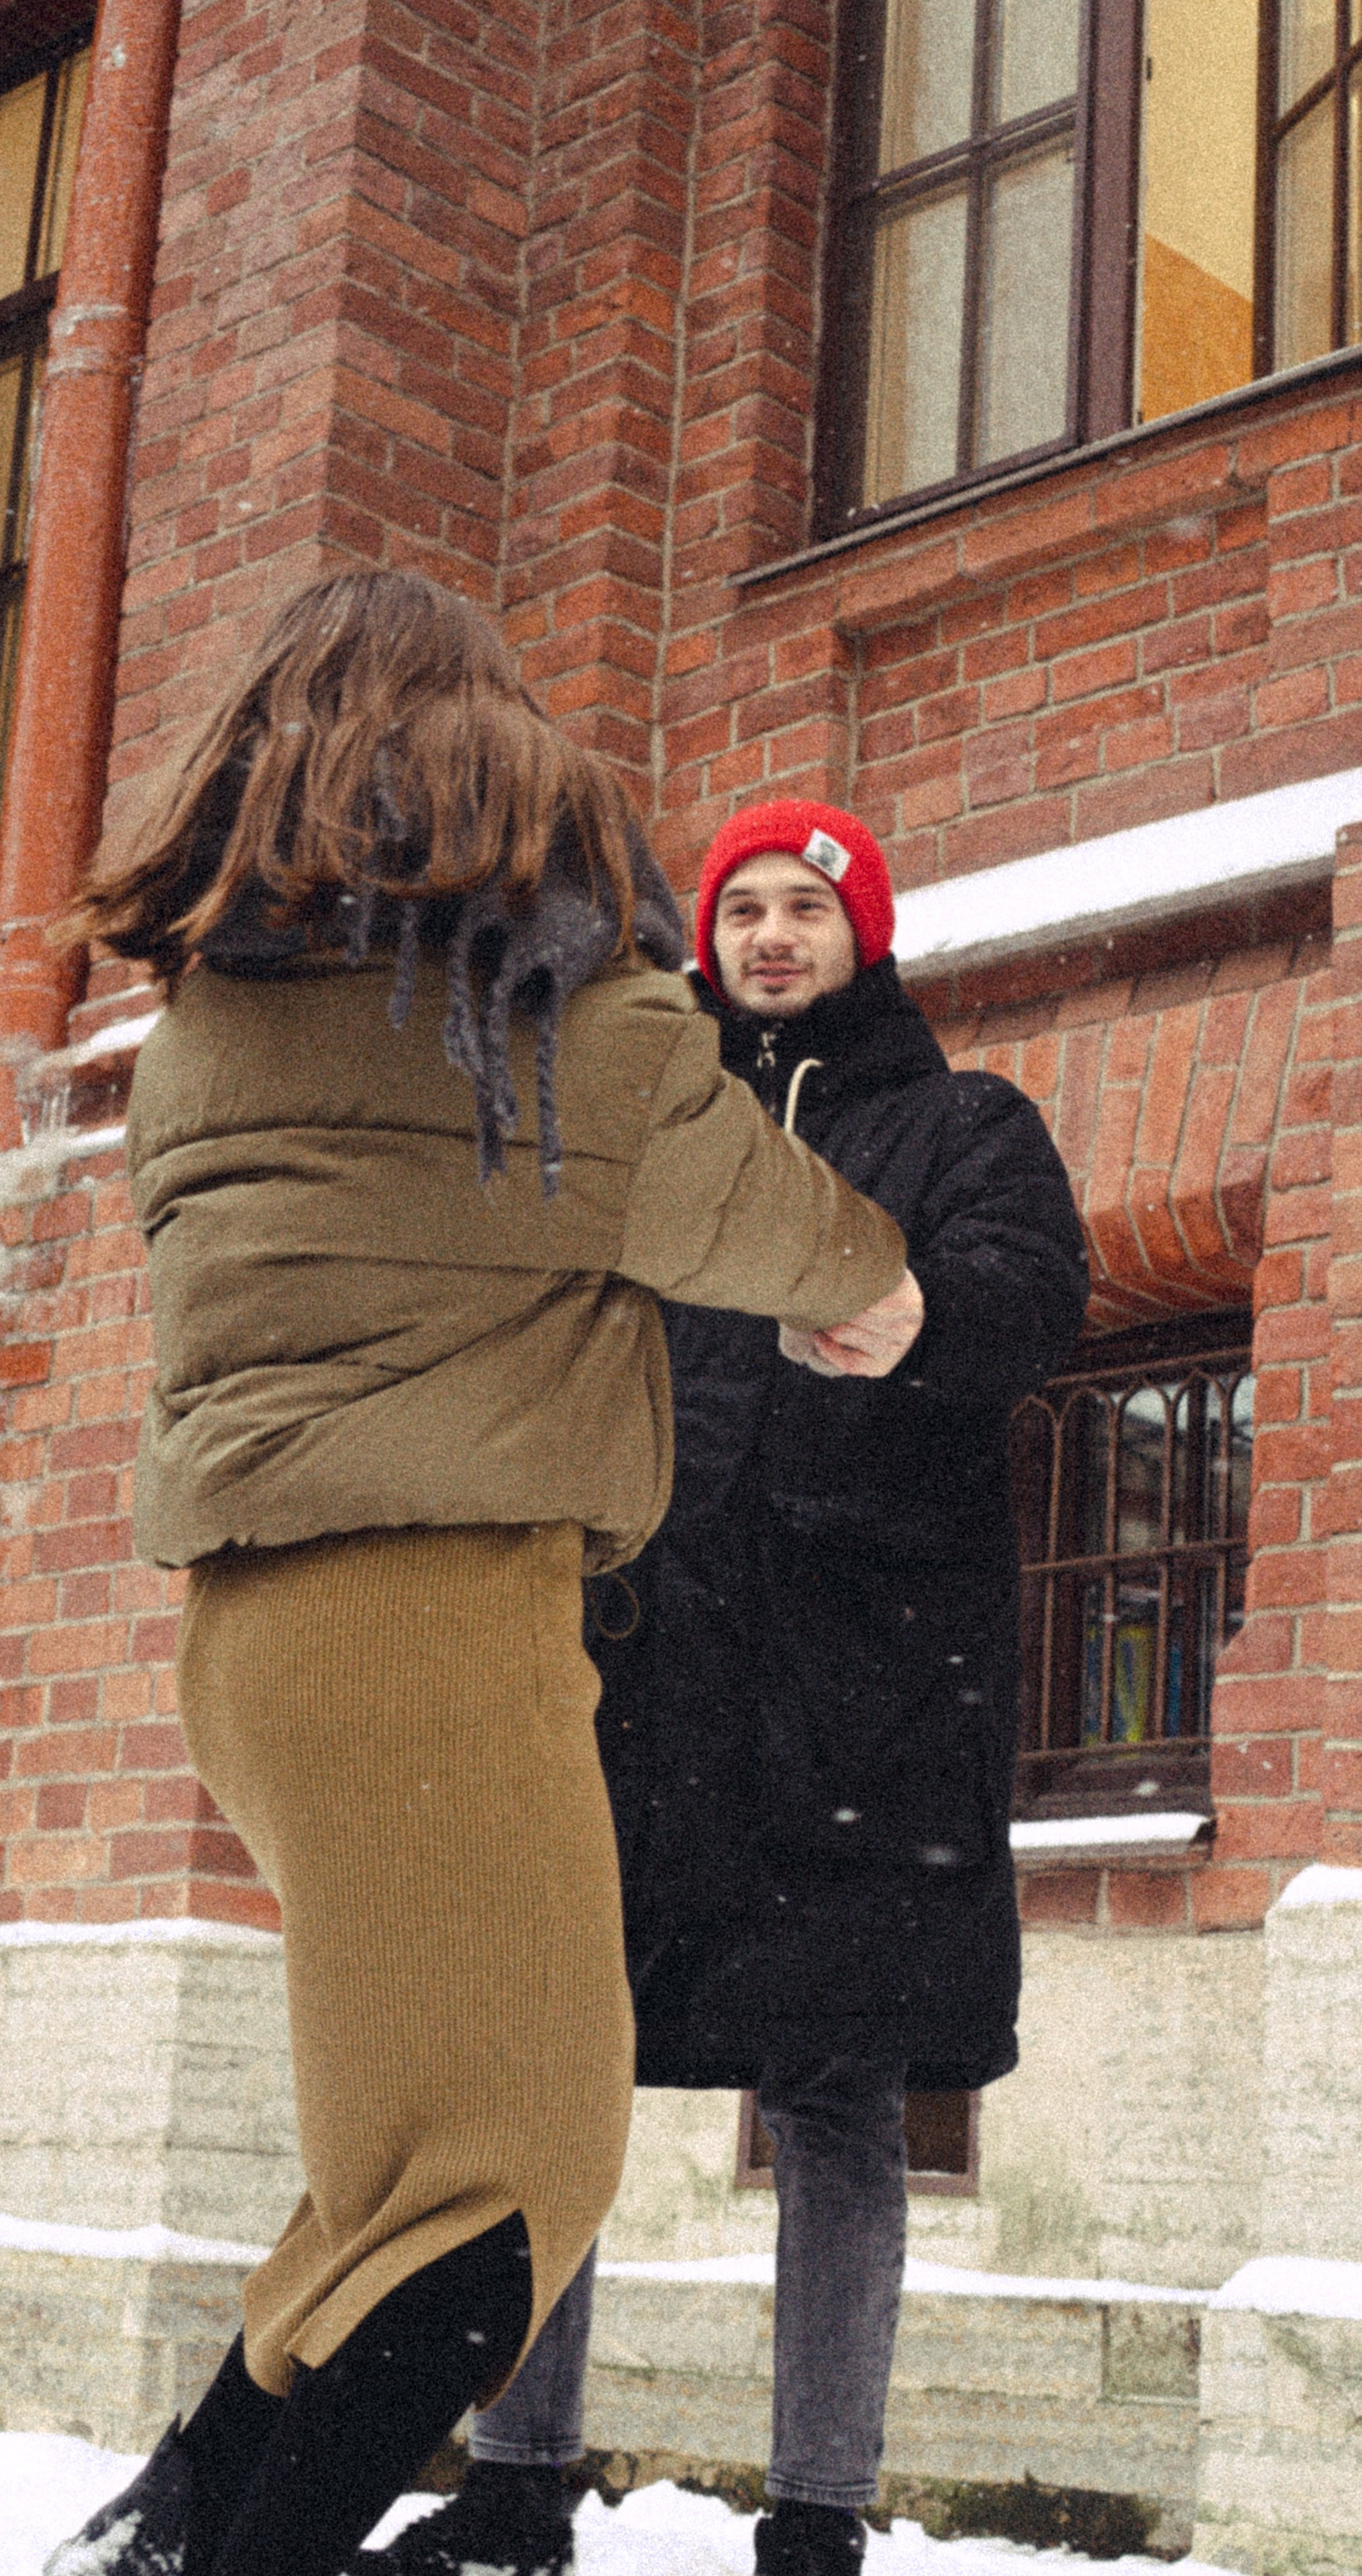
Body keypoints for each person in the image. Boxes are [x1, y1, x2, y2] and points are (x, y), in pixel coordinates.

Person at [42, 587, 923, 2576]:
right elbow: (789, 1234)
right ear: (497, 765)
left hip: (258, 1645)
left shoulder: (200, 1030)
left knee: (385, 2185)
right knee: (517, 2175)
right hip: (439, 1631)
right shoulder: (555, 1027)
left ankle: (176, 2530)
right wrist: (881, 1288)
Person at [381, 800, 1089, 2576]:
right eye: (744, 908)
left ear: (869, 933)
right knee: (566, 2072)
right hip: (642, 1683)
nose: (772, 934)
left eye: (806, 905)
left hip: (869, 1693)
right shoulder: (639, 1144)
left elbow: (1032, 1304)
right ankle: (522, 2476)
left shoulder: (960, 1126)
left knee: (842, 2098)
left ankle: (820, 2517)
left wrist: (917, 1313)